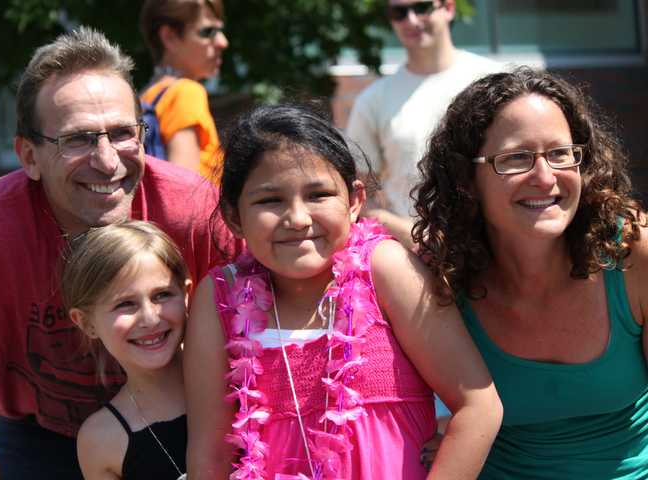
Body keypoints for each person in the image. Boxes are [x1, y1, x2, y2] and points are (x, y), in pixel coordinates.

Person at [0, 27, 233, 480]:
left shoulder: (195, 213)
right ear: (28, 156)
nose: (108, 161)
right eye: (78, 139)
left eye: (122, 134)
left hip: (182, 420)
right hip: (40, 439)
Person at [184, 103, 502, 479]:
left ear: (354, 201)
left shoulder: (385, 268)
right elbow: (210, 453)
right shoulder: (220, 296)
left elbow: (478, 405)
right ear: (233, 216)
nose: (298, 219)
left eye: (318, 194)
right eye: (270, 200)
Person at [412, 66, 648, 478]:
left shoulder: (632, 253)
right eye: (517, 158)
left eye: (560, 154)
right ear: (466, 179)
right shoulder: (438, 277)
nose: (545, 178)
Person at [346, 0, 501, 219]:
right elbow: (360, 191)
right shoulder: (373, 100)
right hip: (412, 245)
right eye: (399, 12)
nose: (411, 20)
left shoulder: (494, 79)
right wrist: (404, 233)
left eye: (422, 7)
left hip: (490, 237)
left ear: (448, 8)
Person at [62, 220, 190, 480]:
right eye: (125, 304)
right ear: (86, 323)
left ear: (186, 294)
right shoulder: (102, 439)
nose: (150, 318)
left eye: (162, 295)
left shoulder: (237, 381)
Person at [139, 0, 228, 181]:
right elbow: (183, 191)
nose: (222, 42)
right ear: (169, 37)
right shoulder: (186, 92)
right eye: (208, 32)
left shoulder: (143, 96)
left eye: (220, 31)